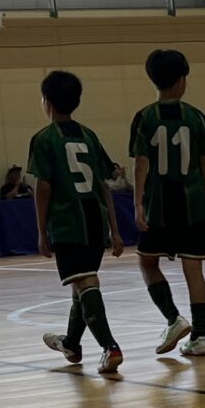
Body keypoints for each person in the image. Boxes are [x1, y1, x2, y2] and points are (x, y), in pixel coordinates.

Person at [28, 70, 127, 376]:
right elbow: (104, 184)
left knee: (85, 282)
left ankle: (110, 347)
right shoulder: (89, 135)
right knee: (81, 284)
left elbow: (43, 187)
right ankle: (71, 344)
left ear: (47, 102)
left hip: (68, 221)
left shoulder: (44, 139)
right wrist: (115, 229)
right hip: (95, 219)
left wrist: (41, 230)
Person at [127, 48, 205, 358]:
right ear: (182, 80)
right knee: (194, 269)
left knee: (147, 262)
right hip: (192, 202)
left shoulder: (145, 117)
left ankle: (173, 318)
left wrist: (138, 203)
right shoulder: (195, 116)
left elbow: (141, 162)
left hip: (159, 204)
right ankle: (200, 337)